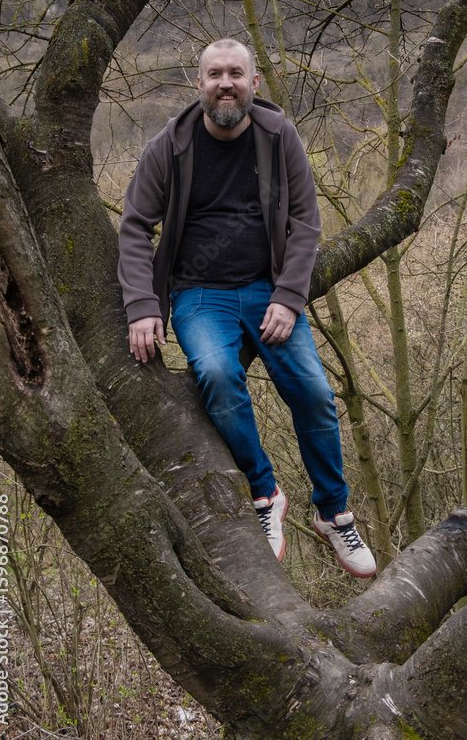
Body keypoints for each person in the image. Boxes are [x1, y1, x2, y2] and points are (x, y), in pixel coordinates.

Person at [118, 38, 376, 577]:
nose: (225, 83)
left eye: (236, 73)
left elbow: (306, 221)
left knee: (312, 390)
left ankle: (333, 512)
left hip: (266, 288)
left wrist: (288, 297)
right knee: (215, 372)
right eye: (215, 74)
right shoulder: (170, 146)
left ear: (255, 84)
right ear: (200, 84)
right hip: (198, 295)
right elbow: (136, 225)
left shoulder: (279, 136)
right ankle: (265, 494)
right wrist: (143, 306)